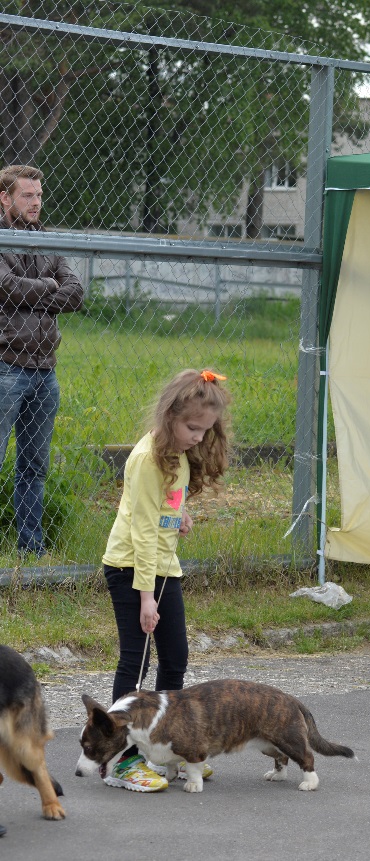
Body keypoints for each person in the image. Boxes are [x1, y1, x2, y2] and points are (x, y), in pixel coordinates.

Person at [101, 369, 231, 791]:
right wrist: (145, 599)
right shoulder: (145, 458)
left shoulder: (176, 455)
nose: (198, 437)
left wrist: (179, 516)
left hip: (163, 566)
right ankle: (121, 759)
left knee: (175, 656)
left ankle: (166, 745)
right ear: (170, 414)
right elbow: (139, 530)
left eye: (205, 430)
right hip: (132, 570)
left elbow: (163, 505)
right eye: (192, 427)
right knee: (135, 662)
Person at [0, 164, 84, 556]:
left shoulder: (46, 240)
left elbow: (75, 293)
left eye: (38, 195)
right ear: (5, 198)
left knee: (34, 466)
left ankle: (31, 547)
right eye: (27, 196)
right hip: (6, 366)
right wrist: (48, 286)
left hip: (45, 370)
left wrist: (31, 292)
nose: (36, 203)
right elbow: (5, 287)